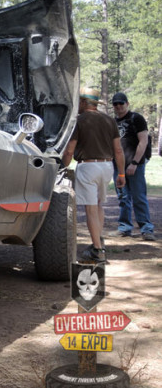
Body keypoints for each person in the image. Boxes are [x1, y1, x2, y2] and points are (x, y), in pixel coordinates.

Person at [61, 87, 126, 263]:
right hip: (107, 166)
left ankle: (98, 249)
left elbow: (69, 151)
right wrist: (121, 173)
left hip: (87, 167)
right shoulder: (109, 120)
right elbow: (118, 150)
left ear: (83, 102)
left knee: (90, 208)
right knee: (98, 205)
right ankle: (98, 240)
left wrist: (61, 167)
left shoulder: (79, 121)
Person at [111, 92, 156, 241]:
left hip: (135, 164)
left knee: (139, 197)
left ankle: (146, 229)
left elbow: (143, 142)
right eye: (115, 104)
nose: (118, 107)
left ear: (127, 104)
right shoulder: (112, 123)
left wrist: (135, 163)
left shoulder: (136, 118)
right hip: (119, 166)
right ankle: (124, 228)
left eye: (121, 103)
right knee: (123, 197)